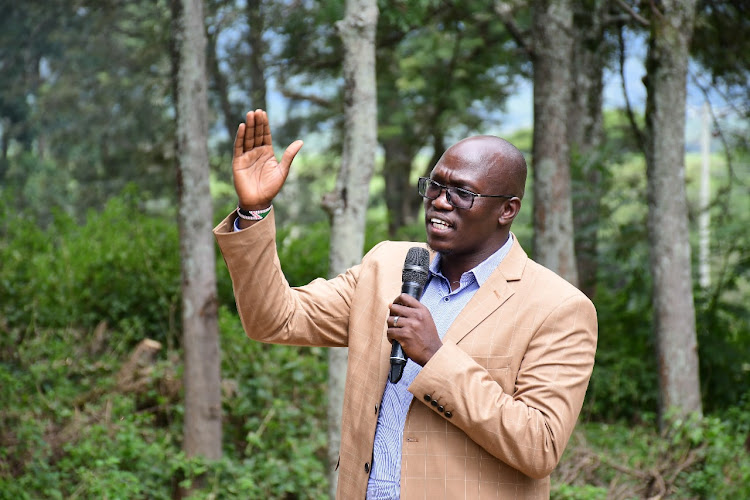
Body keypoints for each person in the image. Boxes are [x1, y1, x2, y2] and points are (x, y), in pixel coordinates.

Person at [213, 109, 598, 499]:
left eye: (462, 193)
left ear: (507, 210)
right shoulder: (387, 267)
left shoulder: (558, 307)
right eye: (434, 186)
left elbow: (540, 446)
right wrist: (253, 213)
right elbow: (276, 320)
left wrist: (435, 356)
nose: (439, 202)